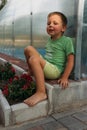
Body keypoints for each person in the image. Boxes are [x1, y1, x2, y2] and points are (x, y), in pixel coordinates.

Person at [24, 11, 74, 106]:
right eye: (48, 23)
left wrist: (64, 77)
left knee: (33, 59)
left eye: (55, 23)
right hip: (47, 65)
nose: (50, 25)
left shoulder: (67, 41)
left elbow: (70, 61)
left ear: (63, 28)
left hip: (54, 71)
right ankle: (31, 71)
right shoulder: (50, 39)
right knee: (28, 49)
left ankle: (41, 92)